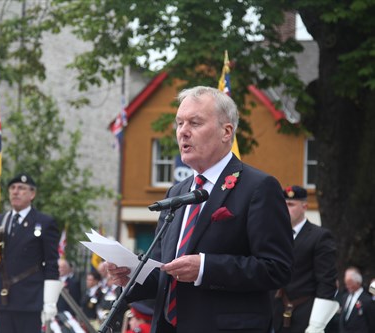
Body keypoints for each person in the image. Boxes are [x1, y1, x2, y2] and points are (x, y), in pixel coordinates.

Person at [107, 86, 294, 333]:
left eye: (195, 123)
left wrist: (206, 268)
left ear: (226, 132)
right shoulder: (176, 193)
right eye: (179, 123)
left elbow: (277, 268)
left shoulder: (258, 187)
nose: (183, 132)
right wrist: (131, 277)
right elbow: (165, 273)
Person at [0, 173, 60, 333]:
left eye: (21, 188)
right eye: (12, 188)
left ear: (32, 194)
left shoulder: (44, 222)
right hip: (4, 298)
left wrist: (50, 301)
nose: (15, 192)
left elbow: (51, 263)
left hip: (29, 299)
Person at [273, 185, 338, 333]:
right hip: (275, 313)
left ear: (305, 206)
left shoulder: (319, 237)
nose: (285, 208)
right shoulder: (275, 236)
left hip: (305, 315)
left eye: (291, 204)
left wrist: (317, 323)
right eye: (283, 204)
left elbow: (327, 282)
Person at [338, 267, 375, 333]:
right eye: (346, 283)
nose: (347, 286)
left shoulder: (367, 301)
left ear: (357, 282)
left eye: (349, 283)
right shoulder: (344, 297)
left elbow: (372, 324)